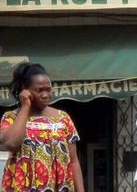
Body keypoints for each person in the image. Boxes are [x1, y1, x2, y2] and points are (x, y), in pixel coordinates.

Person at [0, 62, 84, 192]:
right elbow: (11, 144)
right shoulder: (11, 117)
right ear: (25, 90)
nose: (45, 95)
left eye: (48, 89)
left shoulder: (63, 118)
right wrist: (25, 106)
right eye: (39, 90)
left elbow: (74, 161)